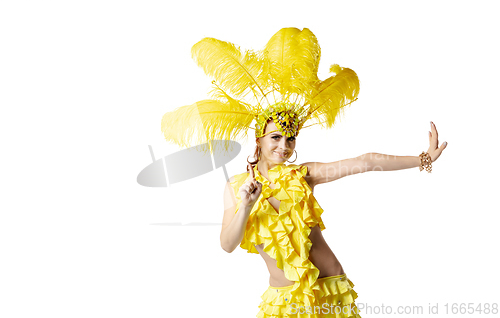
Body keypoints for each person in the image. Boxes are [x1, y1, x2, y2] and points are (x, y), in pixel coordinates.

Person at [160, 27, 448, 317]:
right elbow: (227, 245)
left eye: (290, 138)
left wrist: (423, 159)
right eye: (275, 137)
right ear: (258, 138)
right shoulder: (236, 188)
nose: (284, 146)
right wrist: (246, 206)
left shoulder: (304, 174)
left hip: (329, 293)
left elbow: (364, 161)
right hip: (283, 304)